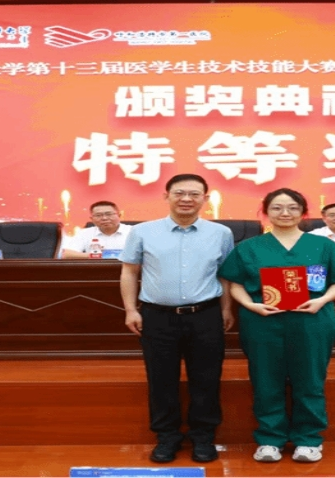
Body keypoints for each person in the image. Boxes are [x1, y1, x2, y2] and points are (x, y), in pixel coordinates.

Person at [218, 188, 335, 464]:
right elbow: (235, 284)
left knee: (310, 380)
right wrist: (250, 305)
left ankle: (308, 440)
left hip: (312, 321)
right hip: (263, 322)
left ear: (303, 212)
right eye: (277, 208)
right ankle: (269, 439)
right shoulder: (249, 247)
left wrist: (322, 300)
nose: (285, 213)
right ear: (265, 212)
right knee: (265, 380)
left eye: (293, 208)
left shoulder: (323, 245)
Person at [119, 173, 236, 464]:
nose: (186, 199)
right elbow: (129, 272)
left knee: (206, 378)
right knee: (161, 378)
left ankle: (203, 437)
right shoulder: (142, 231)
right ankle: (167, 437)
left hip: (205, 315)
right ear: (166, 196)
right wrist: (131, 309)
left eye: (194, 194)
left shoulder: (221, 233)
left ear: (205, 199)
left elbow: (225, 275)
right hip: (157, 317)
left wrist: (226, 309)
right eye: (179, 193)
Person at [62, 201, 132, 258]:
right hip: (96, 269)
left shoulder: (133, 231)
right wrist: (93, 256)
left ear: (119, 215)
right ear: (92, 219)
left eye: (109, 214)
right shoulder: (84, 233)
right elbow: (66, 254)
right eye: (98, 215)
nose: (104, 218)